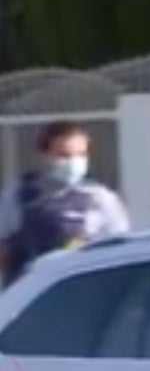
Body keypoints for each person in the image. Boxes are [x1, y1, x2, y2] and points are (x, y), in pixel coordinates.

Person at [0, 123, 130, 287]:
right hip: (29, 294)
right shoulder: (19, 194)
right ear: (44, 156)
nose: (74, 162)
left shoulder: (100, 198)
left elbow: (120, 250)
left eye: (81, 155)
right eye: (64, 155)